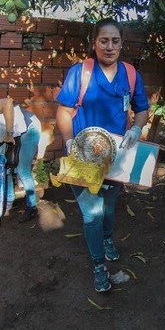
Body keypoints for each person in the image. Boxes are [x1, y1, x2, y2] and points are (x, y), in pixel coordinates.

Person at [56, 18, 149, 292]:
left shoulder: (130, 74)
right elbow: (63, 111)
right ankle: (99, 266)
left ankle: (107, 239)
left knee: (109, 205)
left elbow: (141, 108)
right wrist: (69, 140)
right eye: (104, 41)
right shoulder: (80, 72)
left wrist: (137, 129)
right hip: (82, 155)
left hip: (116, 157)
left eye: (115, 41)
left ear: (122, 43)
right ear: (94, 43)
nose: (110, 47)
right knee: (92, 213)